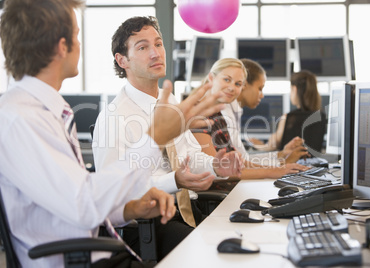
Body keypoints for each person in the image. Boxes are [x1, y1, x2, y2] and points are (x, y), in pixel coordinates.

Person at [0, 1, 226, 267]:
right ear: (62, 47)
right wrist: (154, 138)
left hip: (102, 249)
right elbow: (82, 204)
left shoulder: (48, 110)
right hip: (81, 261)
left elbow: (82, 197)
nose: (80, 45)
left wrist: (128, 209)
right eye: (76, 35)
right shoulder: (21, 118)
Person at [92, 16, 242, 260]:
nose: (155, 53)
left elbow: (189, 157)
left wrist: (215, 165)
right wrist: (175, 180)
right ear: (122, 60)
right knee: (215, 257)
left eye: (158, 44)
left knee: (241, 240)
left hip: (186, 212)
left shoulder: (169, 100)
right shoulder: (113, 117)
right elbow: (115, 193)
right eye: (142, 47)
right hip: (147, 225)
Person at [191, 58, 309, 188]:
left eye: (237, 84)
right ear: (211, 78)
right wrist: (275, 169)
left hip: (234, 188)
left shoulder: (218, 115)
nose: (231, 88)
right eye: (226, 80)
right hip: (222, 195)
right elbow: (215, 171)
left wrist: (281, 165)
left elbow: (240, 163)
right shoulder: (199, 115)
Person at [221, 58, 309, 164]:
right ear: (244, 84)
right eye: (260, 88)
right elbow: (240, 165)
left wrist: (282, 154)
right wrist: (283, 163)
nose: (262, 95)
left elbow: (245, 159)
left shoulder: (233, 111)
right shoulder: (226, 113)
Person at [250, 70, 322, 152]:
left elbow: (272, 146)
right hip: (314, 162)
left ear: (294, 89)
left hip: (290, 162)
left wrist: (258, 145)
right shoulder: (321, 116)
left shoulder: (289, 118)